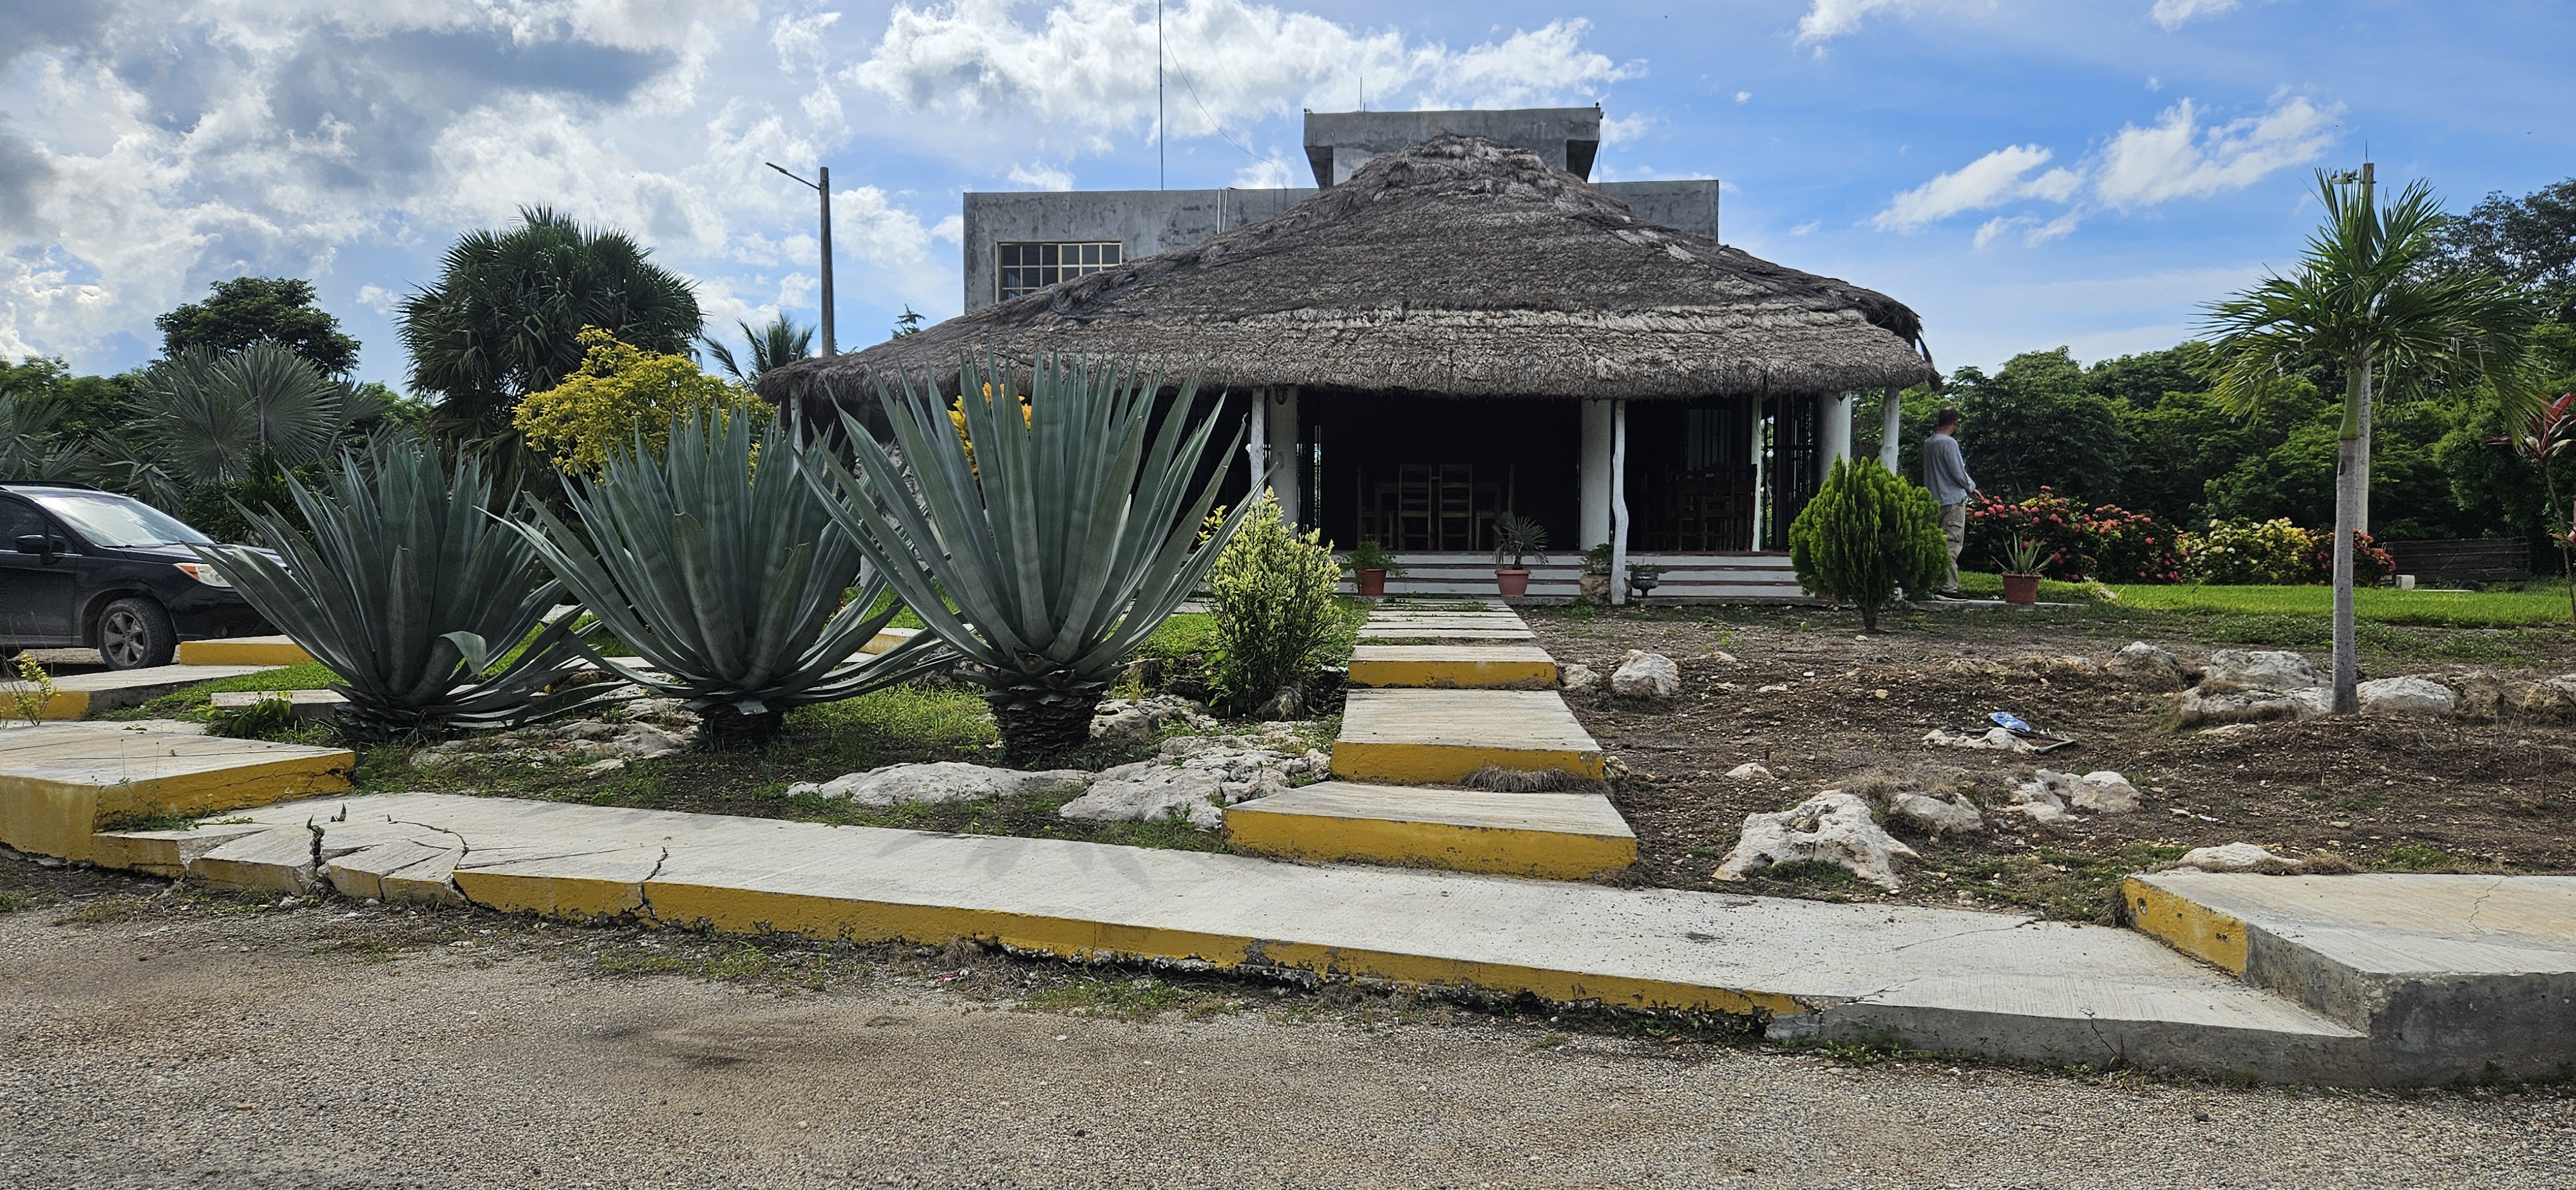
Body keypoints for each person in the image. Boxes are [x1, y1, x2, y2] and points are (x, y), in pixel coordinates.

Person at [1924, 406, 1977, 599]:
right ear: (1955, 422)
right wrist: (1971, 487)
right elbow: (1958, 472)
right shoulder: (1949, 443)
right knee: (1951, 543)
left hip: (1933, 499)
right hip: (1952, 499)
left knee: (1935, 543)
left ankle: (1929, 584)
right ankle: (1948, 588)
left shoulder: (1929, 442)